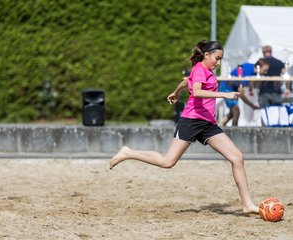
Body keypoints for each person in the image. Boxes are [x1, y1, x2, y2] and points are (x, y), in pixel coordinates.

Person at [110, 40, 259, 214]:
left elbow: (186, 82)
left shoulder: (206, 71)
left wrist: (176, 92)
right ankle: (128, 152)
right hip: (191, 121)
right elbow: (196, 91)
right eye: (216, 59)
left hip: (208, 124)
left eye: (221, 60)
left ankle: (247, 204)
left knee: (237, 157)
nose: (218, 63)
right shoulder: (199, 69)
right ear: (206, 55)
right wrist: (224, 94)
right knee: (168, 162)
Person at [220, 58, 269, 126]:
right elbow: (241, 94)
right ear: (258, 68)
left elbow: (250, 83)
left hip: (231, 88)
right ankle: (234, 132)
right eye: (265, 70)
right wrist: (252, 106)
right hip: (226, 88)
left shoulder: (252, 68)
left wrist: (250, 89)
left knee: (232, 113)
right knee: (236, 111)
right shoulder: (247, 73)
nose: (266, 73)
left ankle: (220, 126)